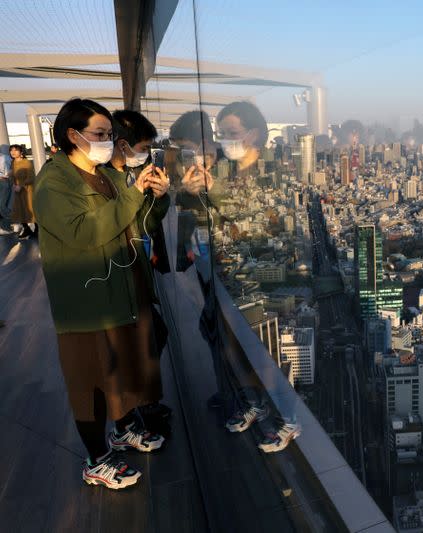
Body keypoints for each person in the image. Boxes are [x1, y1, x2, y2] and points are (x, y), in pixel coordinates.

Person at [33, 99, 171, 490]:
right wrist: (132, 197)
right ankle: (97, 459)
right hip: (86, 304)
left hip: (120, 291)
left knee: (123, 368)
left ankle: (124, 430)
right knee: (90, 380)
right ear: (72, 136)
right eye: (100, 134)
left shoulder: (104, 177)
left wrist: (155, 199)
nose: (108, 142)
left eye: (110, 135)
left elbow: (132, 224)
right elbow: (83, 233)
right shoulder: (54, 182)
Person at [177, 102, 300, 453]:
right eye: (222, 134)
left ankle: (289, 420)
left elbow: (260, 216)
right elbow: (216, 215)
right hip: (231, 274)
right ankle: (254, 402)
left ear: (254, 133)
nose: (225, 141)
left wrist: (211, 192)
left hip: (264, 275)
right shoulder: (227, 170)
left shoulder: (276, 168)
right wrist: (192, 193)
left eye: (231, 133)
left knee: (269, 351)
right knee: (237, 345)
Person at [109, 109, 173, 432]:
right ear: (123, 145)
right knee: (136, 346)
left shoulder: (124, 177)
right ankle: (130, 414)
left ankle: (140, 403)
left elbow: (142, 224)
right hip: (116, 281)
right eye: (143, 147)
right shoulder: (105, 180)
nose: (145, 155)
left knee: (153, 336)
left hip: (134, 274)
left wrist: (158, 198)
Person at [9, 144, 36, 239]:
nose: (13, 152)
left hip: (27, 189)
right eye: (11, 150)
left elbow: (31, 177)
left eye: (15, 150)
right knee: (19, 210)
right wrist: (13, 184)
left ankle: (37, 229)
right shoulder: (12, 163)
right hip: (17, 190)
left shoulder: (26, 162)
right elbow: (12, 175)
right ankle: (26, 229)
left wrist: (21, 185)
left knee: (31, 209)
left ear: (21, 152)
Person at [0, 144, 12, 235]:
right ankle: (5, 227)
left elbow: (12, 169)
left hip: (4, 182)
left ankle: (14, 221)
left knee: (2, 205)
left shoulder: (5, 157)